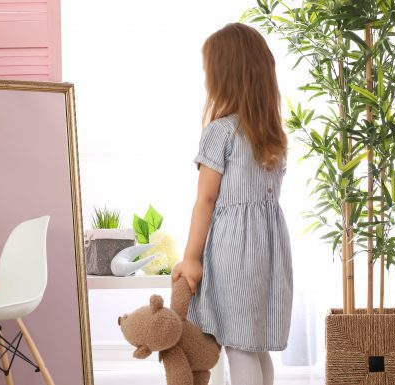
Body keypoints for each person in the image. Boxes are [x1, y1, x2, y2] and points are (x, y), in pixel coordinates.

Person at [171, 23, 293, 385]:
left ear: (224, 76)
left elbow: (206, 200)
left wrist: (191, 257)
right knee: (256, 346)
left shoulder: (221, 132)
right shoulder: (272, 137)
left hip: (235, 251)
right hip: (270, 249)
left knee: (237, 345)